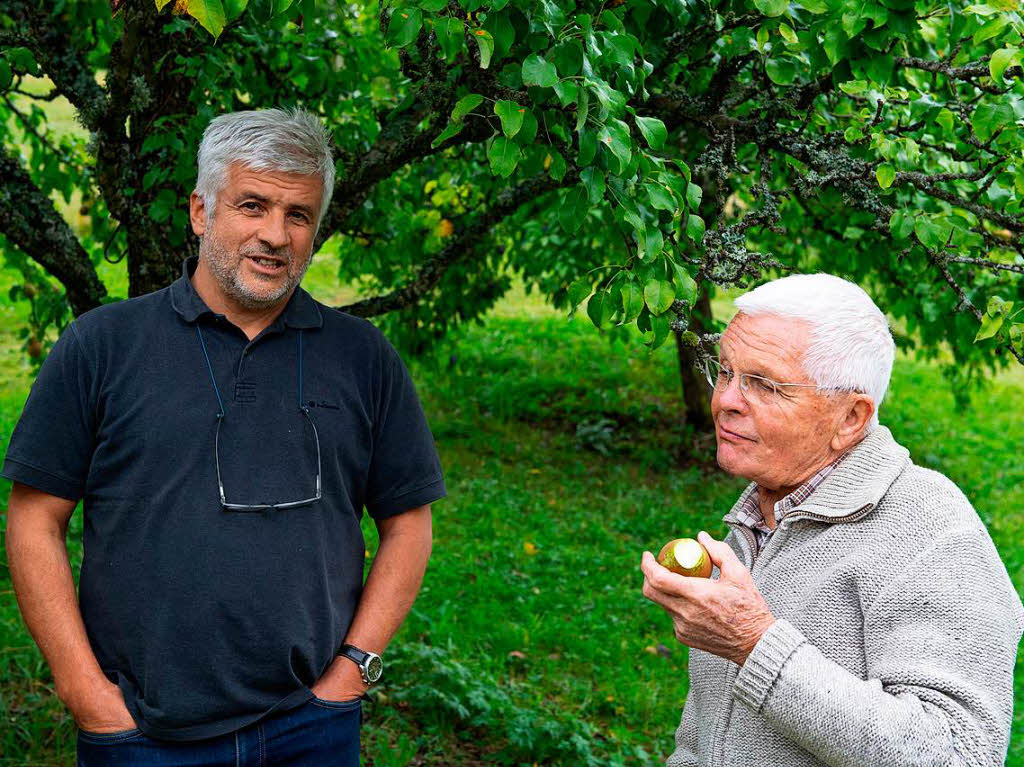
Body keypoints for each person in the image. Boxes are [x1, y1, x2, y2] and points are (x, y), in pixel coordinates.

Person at [3, 108, 445, 766]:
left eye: (298, 215)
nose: (275, 234)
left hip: (311, 728)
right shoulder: (102, 346)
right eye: (253, 205)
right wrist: (83, 689)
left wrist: (352, 671)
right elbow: (35, 518)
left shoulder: (363, 357)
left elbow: (409, 521)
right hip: (143, 735)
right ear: (201, 211)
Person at [640, 273, 1024, 767]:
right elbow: (706, 737)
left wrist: (755, 643)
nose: (725, 401)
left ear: (850, 419)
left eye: (764, 384)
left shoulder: (932, 532)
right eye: (726, 371)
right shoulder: (760, 515)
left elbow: (957, 753)